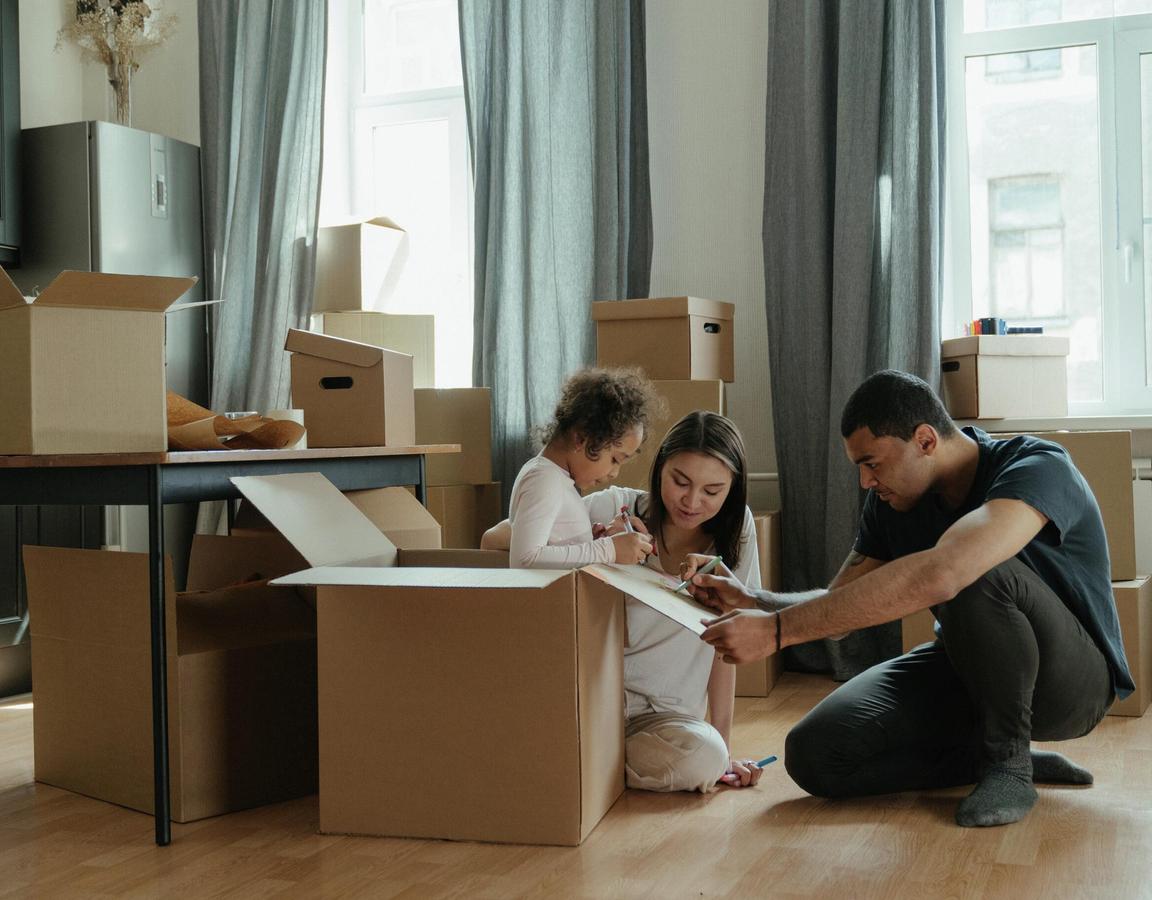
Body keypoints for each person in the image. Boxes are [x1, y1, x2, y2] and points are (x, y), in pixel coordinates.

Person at [685, 369, 1133, 827]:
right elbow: (841, 606)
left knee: (973, 568)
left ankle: (1009, 765)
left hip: (1072, 685)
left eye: (872, 463)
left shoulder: (1038, 466)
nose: (864, 482)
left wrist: (778, 633)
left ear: (924, 440)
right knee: (815, 754)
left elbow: (948, 571)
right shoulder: (891, 503)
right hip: (967, 669)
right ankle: (984, 757)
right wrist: (755, 602)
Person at [486, 410, 766, 793]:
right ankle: (585, 760)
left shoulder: (738, 533)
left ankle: (581, 764)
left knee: (706, 757)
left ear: (732, 489)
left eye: (712, 491)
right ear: (659, 468)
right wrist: (599, 545)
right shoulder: (614, 507)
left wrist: (725, 749)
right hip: (592, 703)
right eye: (679, 481)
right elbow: (495, 539)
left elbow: (727, 644)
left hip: (664, 721)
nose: (691, 501)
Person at [506, 367, 658, 569]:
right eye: (614, 459)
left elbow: (554, 549)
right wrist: (608, 549)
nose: (615, 473)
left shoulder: (556, 479)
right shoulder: (544, 479)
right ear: (581, 438)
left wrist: (590, 542)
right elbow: (525, 559)